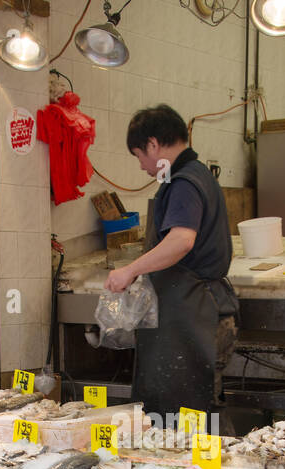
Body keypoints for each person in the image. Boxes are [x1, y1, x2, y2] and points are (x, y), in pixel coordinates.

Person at [104, 105, 237, 417]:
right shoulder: (197, 175)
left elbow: (181, 240)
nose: (141, 166)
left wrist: (130, 270)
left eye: (138, 155)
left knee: (189, 414)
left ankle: (194, 467)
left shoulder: (184, 183)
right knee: (182, 415)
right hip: (192, 313)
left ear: (153, 144)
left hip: (195, 317)